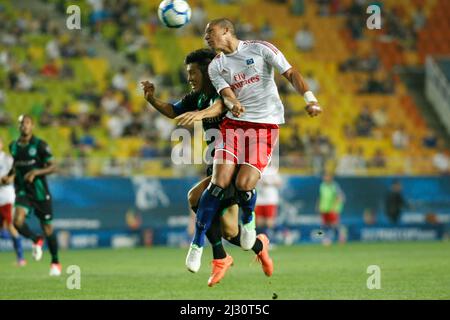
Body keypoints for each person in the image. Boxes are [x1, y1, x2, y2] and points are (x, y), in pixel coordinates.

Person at [186, 18, 321, 273]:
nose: (206, 37)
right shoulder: (216, 66)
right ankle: (196, 245)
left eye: (210, 32)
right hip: (235, 126)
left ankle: (248, 222)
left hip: (265, 127)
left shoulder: (260, 49)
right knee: (218, 182)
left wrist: (310, 99)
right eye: (205, 34)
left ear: (226, 31)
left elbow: (290, 73)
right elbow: (226, 94)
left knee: (244, 184)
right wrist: (232, 103)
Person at [141, 49, 271, 286]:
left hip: (236, 164)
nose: (189, 78)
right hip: (215, 165)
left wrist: (199, 115)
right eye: (187, 73)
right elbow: (173, 110)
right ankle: (260, 246)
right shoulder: (197, 97)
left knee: (196, 197)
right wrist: (152, 100)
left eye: (193, 73)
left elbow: (220, 107)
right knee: (231, 232)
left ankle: (220, 257)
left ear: (207, 72)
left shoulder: (227, 90)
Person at [7, 115, 61, 276]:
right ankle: (36, 239)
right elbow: (16, 167)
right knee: (16, 221)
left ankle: (55, 261)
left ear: (32, 126)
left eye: (27, 123)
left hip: (40, 192)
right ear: (19, 127)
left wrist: (36, 172)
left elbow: (53, 167)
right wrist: (9, 177)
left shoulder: (40, 145)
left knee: (48, 228)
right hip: (23, 192)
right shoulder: (13, 146)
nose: (24, 126)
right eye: (22, 124)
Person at [0, 137, 25, 266]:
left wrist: (8, 180)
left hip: (6, 198)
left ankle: (21, 258)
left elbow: (14, 174)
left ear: (2, 144)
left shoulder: (7, 159)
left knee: (10, 226)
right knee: (4, 230)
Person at [255, 165, 282, 238]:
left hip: (270, 199)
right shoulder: (256, 169)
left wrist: (269, 183)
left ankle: (271, 240)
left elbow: (279, 183)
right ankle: (260, 239)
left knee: (269, 222)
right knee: (258, 222)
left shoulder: (272, 170)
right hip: (259, 199)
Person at [317, 173, 345, 245]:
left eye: (327, 177)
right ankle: (324, 239)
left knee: (335, 224)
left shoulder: (334, 186)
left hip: (332, 209)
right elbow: (321, 196)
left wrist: (335, 206)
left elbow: (340, 197)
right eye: (325, 177)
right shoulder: (322, 186)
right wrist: (318, 204)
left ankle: (341, 237)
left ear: (331, 178)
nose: (325, 178)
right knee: (323, 225)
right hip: (324, 208)